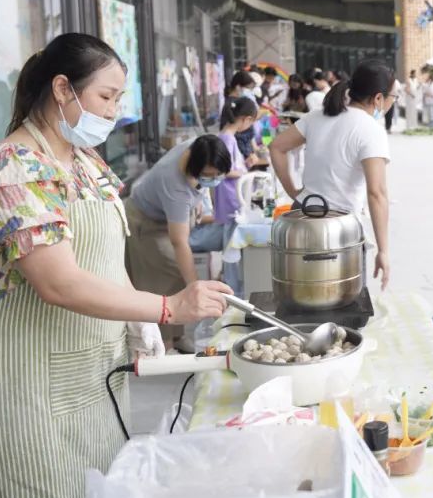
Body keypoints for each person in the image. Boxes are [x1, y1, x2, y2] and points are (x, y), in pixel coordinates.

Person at [0, 33, 231, 498]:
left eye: (119, 98)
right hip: (26, 384)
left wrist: (133, 312)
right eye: (106, 96)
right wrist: (166, 307)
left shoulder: (86, 164)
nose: (113, 110)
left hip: (92, 373)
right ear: (62, 88)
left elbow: (103, 256)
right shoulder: (15, 167)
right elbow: (58, 282)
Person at [269, 59, 395, 289]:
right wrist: (384, 250)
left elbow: (276, 147)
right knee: (343, 301)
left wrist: (294, 191)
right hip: (337, 228)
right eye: (392, 98)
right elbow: (376, 193)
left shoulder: (317, 116)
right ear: (378, 98)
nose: (392, 103)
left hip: (302, 216)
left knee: (302, 296)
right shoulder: (371, 130)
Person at [124, 134, 234, 351]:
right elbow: (179, 242)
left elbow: (200, 186)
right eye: (209, 176)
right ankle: (163, 346)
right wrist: (195, 285)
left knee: (176, 276)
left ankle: (177, 337)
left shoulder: (197, 148)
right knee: (162, 282)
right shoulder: (174, 185)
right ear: (196, 168)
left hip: (165, 218)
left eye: (218, 175)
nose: (213, 180)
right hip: (146, 224)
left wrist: (200, 199)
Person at [187, 96, 259, 296]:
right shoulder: (227, 138)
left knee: (232, 251)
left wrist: (245, 167)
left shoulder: (228, 137)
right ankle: (233, 293)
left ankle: (233, 290)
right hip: (230, 201)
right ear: (245, 119)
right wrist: (244, 173)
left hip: (231, 200)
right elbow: (222, 170)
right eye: (251, 121)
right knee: (231, 255)